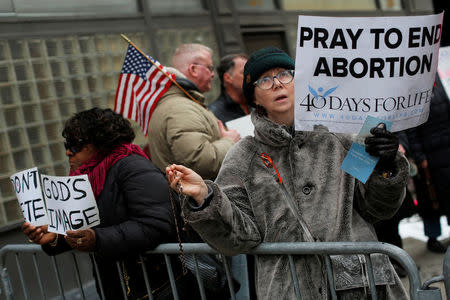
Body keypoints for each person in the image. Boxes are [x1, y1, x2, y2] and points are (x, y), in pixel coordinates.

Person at [166, 47, 410, 299]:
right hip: (291, 291)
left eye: (285, 75)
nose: (277, 84)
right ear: (254, 99)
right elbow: (237, 238)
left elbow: (377, 209)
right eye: (265, 80)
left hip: (362, 288)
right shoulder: (243, 157)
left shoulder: (343, 136)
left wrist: (386, 166)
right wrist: (204, 198)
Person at [22, 108, 200, 300]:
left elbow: (157, 223)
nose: (67, 151)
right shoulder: (84, 178)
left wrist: (97, 238)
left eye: (75, 145)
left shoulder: (133, 167)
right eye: (67, 144)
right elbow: (82, 228)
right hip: (117, 289)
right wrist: (53, 237)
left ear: (99, 143)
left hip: (159, 289)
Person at [147, 43, 241, 180]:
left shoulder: (183, 103)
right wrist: (229, 141)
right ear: (193, 69)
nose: (213, 74)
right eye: (210, 68)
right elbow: (200, 162)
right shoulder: (180, 109)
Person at [405, 74, 450, 253]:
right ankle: (433, 236)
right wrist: (418, 154)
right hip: (427, 156)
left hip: (446, 149)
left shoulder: (442, 80)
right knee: (430, 199)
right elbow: (411, 125)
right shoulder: (411, 86)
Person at [209, 53, 251, 124]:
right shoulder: (213, 114)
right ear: (228, 78)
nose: (251, 77)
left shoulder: (260, 104)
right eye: (245, 72)